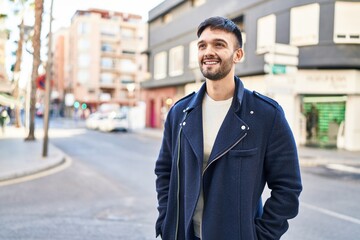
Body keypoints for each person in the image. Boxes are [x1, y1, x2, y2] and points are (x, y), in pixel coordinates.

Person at [154, 16, 302, 240]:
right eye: (202, 45)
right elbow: (164, 172)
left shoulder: (266, 115)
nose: (208, 51)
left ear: (238, 55)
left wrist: (260, 236)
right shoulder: (180, 113)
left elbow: (288, 187)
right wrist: (166, 220)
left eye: (219, 44)